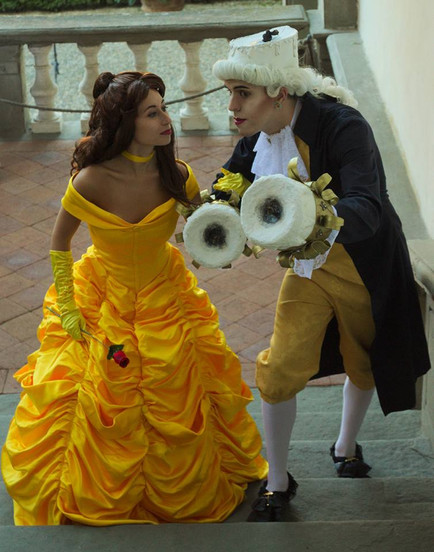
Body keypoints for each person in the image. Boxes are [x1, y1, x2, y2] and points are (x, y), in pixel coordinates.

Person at [1, 71, 267, 526]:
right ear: (126, 123)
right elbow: (59, 244)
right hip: (105, 296)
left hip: (166, 294)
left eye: (164, 108)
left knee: (180, 384)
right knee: (99, 393)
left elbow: (204, 225)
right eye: (152, 113)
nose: (166, 120)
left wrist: (239, 224)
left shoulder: (178, 175)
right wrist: (68, 307)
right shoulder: (89, 180)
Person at [211, 26, 431, 522]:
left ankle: (345, 445)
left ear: (277, 91)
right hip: (308, 271)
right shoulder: (257, 136)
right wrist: (213, 210)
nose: (232, 106)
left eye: (242, 93)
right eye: (230, 93)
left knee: (364, 361)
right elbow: (229, 181)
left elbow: (367, 207)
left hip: (366, 267)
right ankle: (277, 480)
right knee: (279, 369)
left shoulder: (343, 126)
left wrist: (306, 213)